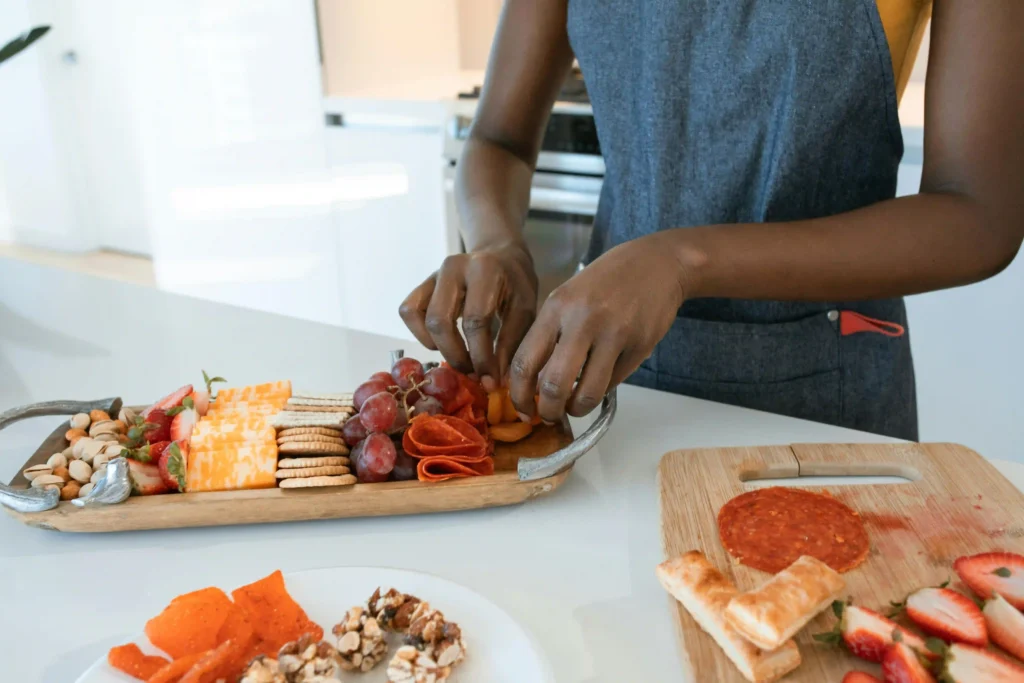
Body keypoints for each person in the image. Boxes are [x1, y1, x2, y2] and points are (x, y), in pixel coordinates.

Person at [400, 0, 1023, 440]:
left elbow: (979, 216)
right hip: (612, 403)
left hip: (826, 402)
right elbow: (499, 140)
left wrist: (681, 262)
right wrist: (498, 244)